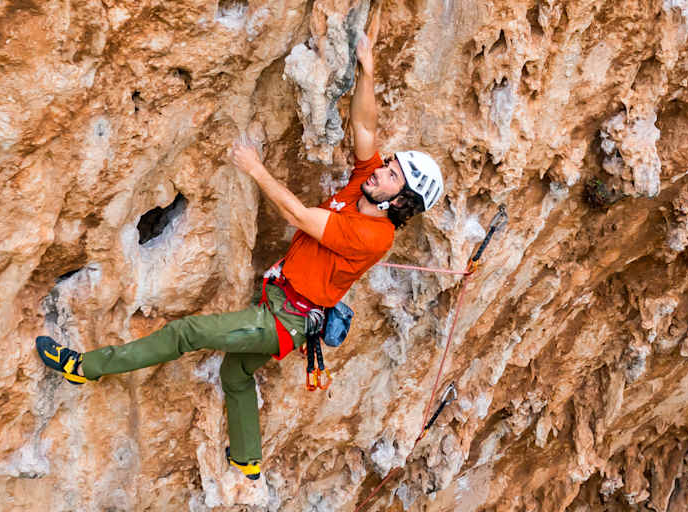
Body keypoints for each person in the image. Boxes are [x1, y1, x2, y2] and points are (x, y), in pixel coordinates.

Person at [34, 16, 445, 481]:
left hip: (282, 320)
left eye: (391, 174)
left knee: (187, 333)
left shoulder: (374, 234)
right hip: (281, 302)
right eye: (388, 164)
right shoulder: (363, 189)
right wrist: (367, 69)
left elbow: (298, 218)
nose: (380, 169)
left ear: (400, 200)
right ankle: (248, 461)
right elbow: (365, 129)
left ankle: (84, 366)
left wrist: (255, 168)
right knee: (235, 375)